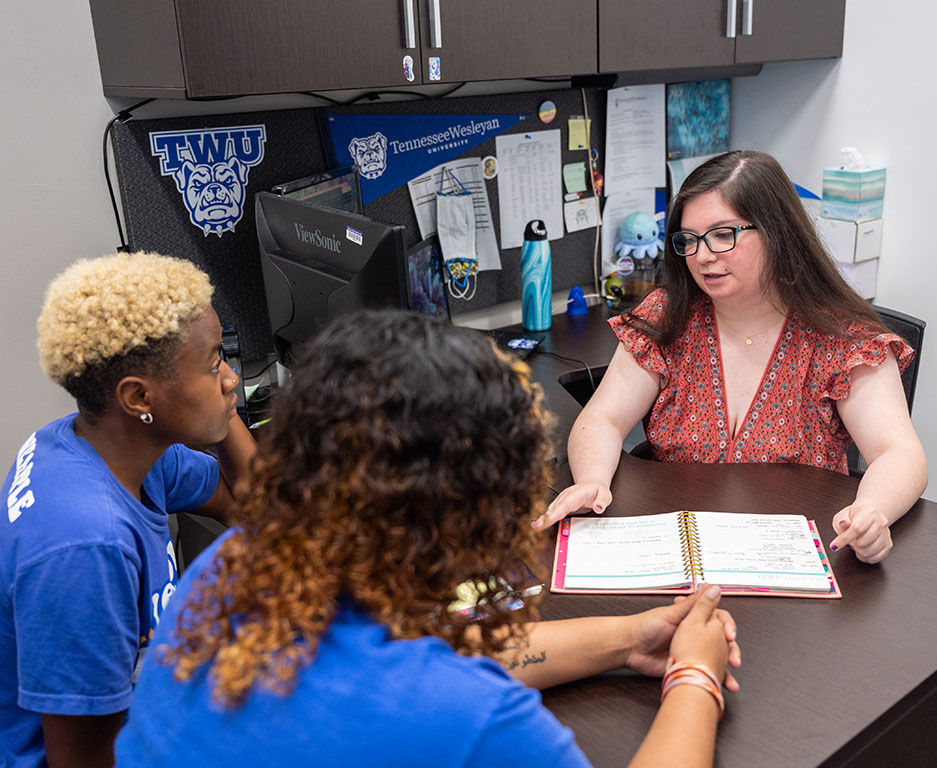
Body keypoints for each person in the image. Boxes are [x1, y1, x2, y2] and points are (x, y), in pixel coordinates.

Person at [115, 310, 741, 768]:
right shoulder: (464, 717)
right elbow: (442, 682)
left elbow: (449, 648)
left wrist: (629, 639)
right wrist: (695, 674)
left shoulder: (234, 564)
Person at [537, 151, 927, 564]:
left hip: (788, 558)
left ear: (777, 232)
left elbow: (899, 453)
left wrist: (871, 513)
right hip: (679, 548)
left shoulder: (842, 338)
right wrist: (592, 481)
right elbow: (603, 418)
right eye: (689, 239)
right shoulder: (667, 317)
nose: (703, 256)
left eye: (723, 235)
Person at [0, 252, 256, 768]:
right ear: (139, 398)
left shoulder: (110, 448)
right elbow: (85, 762)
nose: (231, 378)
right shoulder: (87, 545)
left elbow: (253, 505)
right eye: (214, 366)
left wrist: (219, 400)